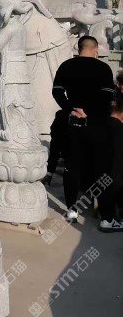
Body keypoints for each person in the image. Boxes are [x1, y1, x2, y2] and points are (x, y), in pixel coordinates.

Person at [52, 35, 114, 223]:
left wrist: (71, 109)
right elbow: (107, 97)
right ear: (96, 50)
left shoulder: (66, 66)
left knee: (72, 167)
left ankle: (72, 210)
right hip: (97, 124)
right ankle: (103, 213)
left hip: (73, 123)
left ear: (78, 49)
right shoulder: (103, 68)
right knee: (100, 167)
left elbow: (57, 91)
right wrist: (89, 111)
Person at [97, 72, 123, 231]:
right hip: (113, 173)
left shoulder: (103, 125)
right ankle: (108, 220)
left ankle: (107, 217)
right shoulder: (118, 128)